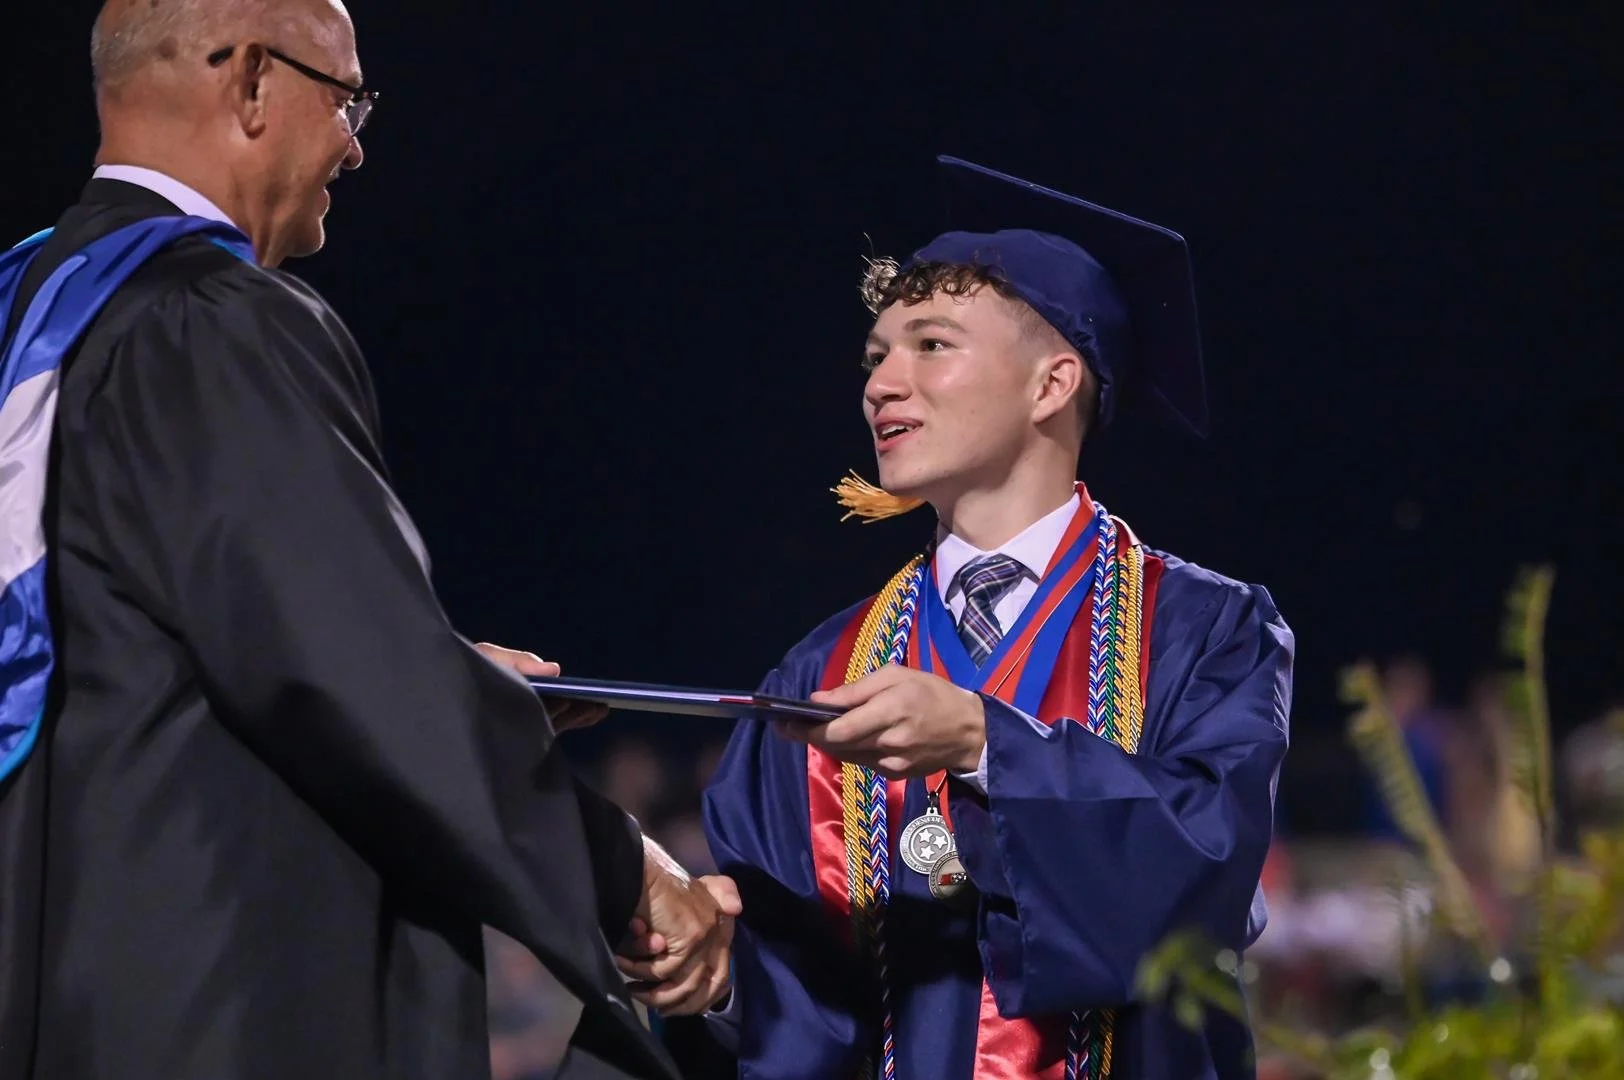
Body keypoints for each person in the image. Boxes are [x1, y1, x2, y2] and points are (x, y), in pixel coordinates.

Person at [0, 2, 734, 1078]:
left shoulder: (30, 321)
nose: (353, 146)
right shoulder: (211, 323)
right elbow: (345, 677)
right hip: (211, 1002)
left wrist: (447, 676)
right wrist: (619, 868)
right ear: (252, 81)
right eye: (348, 99)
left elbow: (133, 650)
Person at [678, 156, 1294, 1078]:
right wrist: (717, 969)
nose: (881, 384)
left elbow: (1200, 887)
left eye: (930, 345)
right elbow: (799, 993)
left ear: (1052, 384)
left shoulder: (1205, 630)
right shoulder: (820, 670)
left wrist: (983, 746)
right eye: (875, 356)